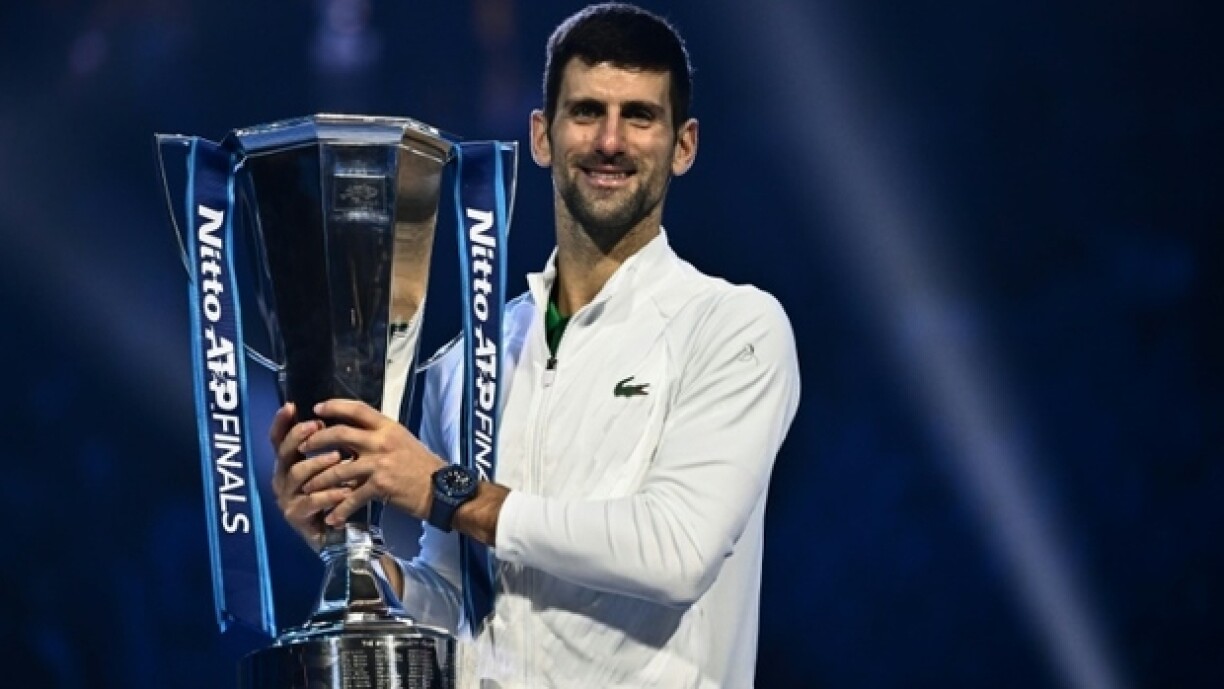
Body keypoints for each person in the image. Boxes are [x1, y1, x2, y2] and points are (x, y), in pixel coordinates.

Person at [269, 3, 800, 686]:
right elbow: (459, 614)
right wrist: (350, 549)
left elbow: (677, 549)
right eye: (586, 112)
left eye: (639, 116)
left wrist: (445, 489)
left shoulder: (733, 327)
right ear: (542, 135)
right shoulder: (466, 363)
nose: (610, 141)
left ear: (684, 145)